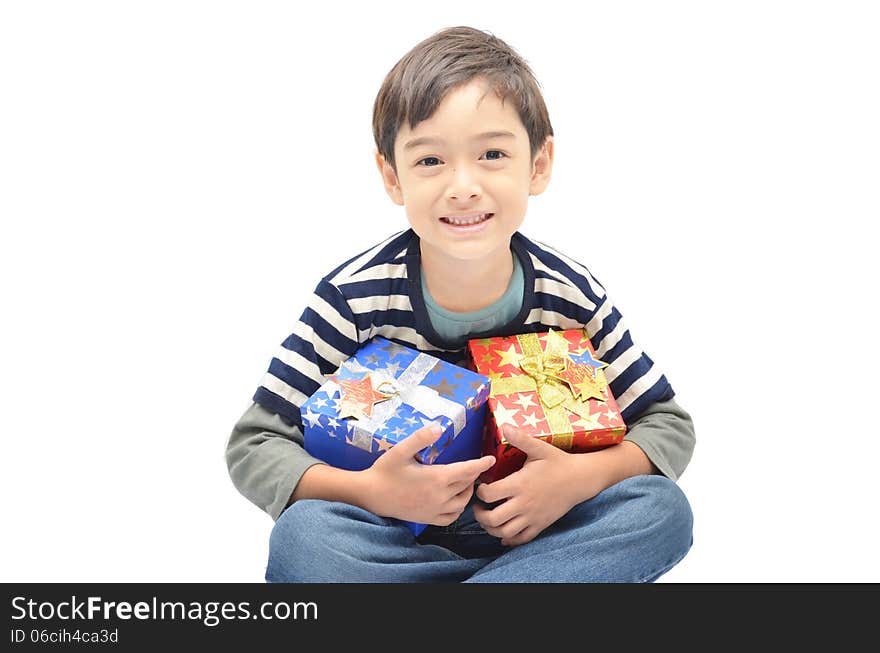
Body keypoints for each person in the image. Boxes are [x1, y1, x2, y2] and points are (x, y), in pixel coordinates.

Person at [226, 25, 695, 583]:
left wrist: (577, 481)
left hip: (543, 537)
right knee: (304, 535)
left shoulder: (571, 295)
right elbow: (255, 444)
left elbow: (666, 423)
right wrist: (371, 490)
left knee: (661, 510)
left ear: (539, 164)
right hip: (394, 538)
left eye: (492, 153)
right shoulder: (353, 298)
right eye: (430, 161)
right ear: (391, 176)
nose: (463, 185)